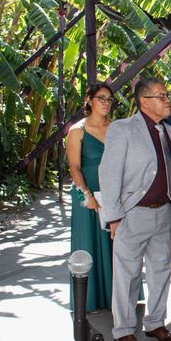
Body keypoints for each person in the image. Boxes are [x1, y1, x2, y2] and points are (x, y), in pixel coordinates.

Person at [99, 77, 171, 341]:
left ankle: (155, 322)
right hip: (132, 212)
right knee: (128, 273)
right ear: (144, 101)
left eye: (167, 94)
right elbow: (109, 174)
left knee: (161, 269)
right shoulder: (123, 129)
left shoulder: (169, 132)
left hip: (164, 211)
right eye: (162, 95)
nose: (168, 99)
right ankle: (123, 330)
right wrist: (113, 217)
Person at [67, 83, 114, 312]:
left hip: (113, 193)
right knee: (89, 244)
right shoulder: (78, 130)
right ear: (89, 100)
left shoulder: (116, 128)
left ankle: (117, 295)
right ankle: (90, 299)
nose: (106, 103)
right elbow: (74, 167)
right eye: (101, 98)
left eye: (109, 99)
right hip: (88, 194)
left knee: (115, 244)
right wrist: (87, 195)